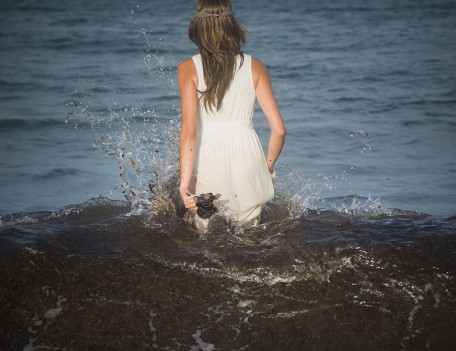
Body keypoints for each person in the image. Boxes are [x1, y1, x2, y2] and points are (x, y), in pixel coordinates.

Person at [178, 0, 285, 233]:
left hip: (208, 155)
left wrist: (184, 184)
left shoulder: (188, 68)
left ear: (198, 27)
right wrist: (265, 167)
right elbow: (279, 130)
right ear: (232, 25)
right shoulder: (255, 66)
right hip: (248, 153)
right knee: (249, 234)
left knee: (209, 233)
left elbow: (189, 132)